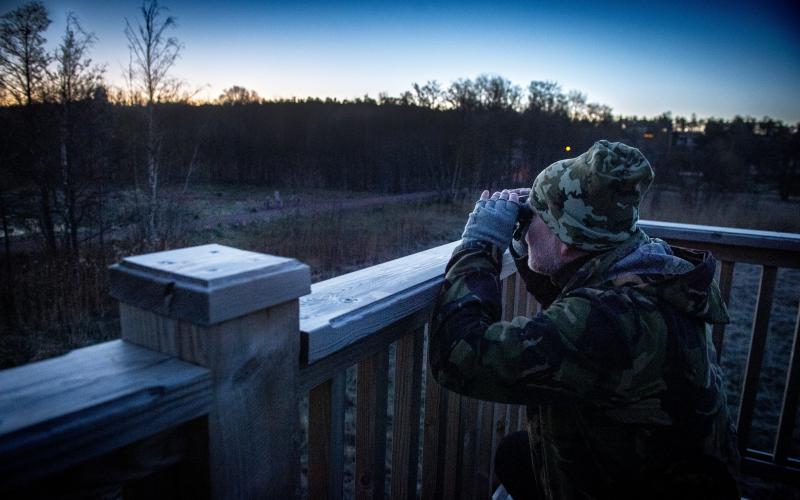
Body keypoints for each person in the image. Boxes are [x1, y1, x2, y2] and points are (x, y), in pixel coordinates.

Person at [429, 140, 739, 499]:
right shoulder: (645, 267)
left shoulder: (611, 320)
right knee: (517, 453)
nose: (526, 224)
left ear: (565, 241)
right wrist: (522, 239)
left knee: (517, 456)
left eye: (534, 216)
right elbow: (569, 298)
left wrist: (479, 243)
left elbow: (460, 356)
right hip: (668, 475)